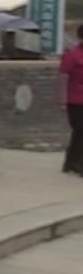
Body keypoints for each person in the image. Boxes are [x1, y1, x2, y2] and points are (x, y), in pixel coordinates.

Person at [57, 23, 83, 175]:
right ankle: (78, 163)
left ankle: (70, 162)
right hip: (75, 100)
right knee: (80, 131)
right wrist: (62, 100)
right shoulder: (72, 55)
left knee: (79, 134)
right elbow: (62, 78)